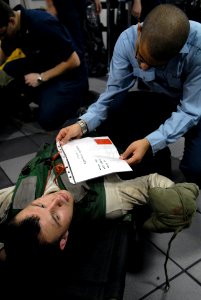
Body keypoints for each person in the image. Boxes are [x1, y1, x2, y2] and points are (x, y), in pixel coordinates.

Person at [56, 4, 201, 187]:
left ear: (178, 52)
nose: (143, 68)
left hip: (196, 104)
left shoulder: (198, 48)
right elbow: (111, 94)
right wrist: (83, 124)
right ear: (140, 30)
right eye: (140, 57)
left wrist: (150, 142)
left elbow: (190, 111)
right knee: (116, 107)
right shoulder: (127, 40)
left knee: (195, 171)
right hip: (163, 99)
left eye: (155, 64)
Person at [0, 140, 199, 267]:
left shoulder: (17, 206)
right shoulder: (106, 202)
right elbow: (150, 184)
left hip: (72, 132)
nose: (55, 201)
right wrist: (177, 200)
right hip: (114, 140)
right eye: (57, 217)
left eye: (40, 205)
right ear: (64, 238)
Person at [0, 0, 88, 130]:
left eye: (1, 34)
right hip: (44, 63)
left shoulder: (42, 23)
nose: (1, 38)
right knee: (8, 71)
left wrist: (41, 78)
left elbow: (74, 61)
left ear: (11, 21)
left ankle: (77, 99)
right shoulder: (11, 28)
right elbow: (2, 55)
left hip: (70, 73)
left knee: (48, 119)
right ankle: (44, 96)